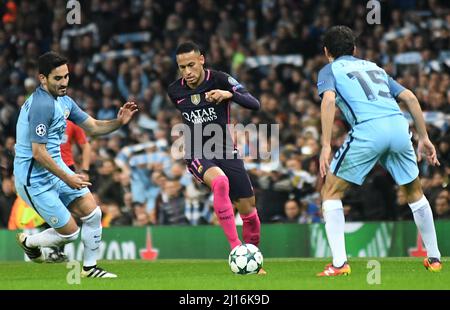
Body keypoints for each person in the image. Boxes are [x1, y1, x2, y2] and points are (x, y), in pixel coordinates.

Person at [316, 26, 442, 276]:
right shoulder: (375, 67)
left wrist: (325, 145)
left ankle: (340, 264)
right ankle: (435, 259)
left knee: (330, 191)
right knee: (414, 193)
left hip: (368, 130)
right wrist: (424, 137)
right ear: (354, 49)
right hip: (398, 125)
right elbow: (410, 97)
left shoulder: (330, 69)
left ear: (327, 51)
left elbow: (329, 100)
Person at [13, 52, 137, 278]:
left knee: (93, 214)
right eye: (57, 78)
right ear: (43, 79)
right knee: (70, 233)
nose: (64, 82)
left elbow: (94, 127)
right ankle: (30, 241)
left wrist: (119, 122)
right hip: (33, 180)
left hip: (56, 171)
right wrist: (68, 177)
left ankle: (90, 268)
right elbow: (38, 153)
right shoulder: (41, 105)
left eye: (66, 76)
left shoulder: (65, 102)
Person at [167, 42, 265, 273]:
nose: (187, 72)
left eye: (191, 65)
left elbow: (255, 104)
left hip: (226, 151)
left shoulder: (220, 79)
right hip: (196, 153)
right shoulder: (175, 90)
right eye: (182, 67)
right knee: (220, 182)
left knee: (249, 212)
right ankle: (235, 248)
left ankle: (252, 262)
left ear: (202, 59)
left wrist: (228, 94)